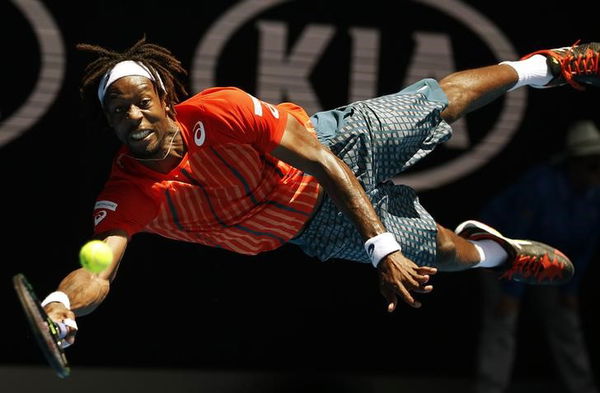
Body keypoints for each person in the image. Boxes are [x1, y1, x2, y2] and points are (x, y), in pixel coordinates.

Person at [41, 37, 599, 348]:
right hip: (309, 226)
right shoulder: (128, 191)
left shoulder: (221, 111)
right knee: (446, 255)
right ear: (109, 124)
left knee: (437, 101)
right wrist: (62, 305)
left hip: (334, 149)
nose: (134, 116)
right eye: (119, 111)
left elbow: (325, 162)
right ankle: (503, 253)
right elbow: (97, 269)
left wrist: (381, 248)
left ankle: (548, 66)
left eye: (142, 102)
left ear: (165, 98)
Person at [475, 120, 600, 393]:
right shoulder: (540, 186)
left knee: (566, 320)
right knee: (503, 320)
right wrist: (511, 293)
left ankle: (584, 388)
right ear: (574, 162)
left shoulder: (596, 195)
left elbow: (587, 244)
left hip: (548, 260)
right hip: (501, 253)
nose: (597, 171)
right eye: (591, 164)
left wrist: (572, 288)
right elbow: (517, 240)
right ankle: (490, 388)